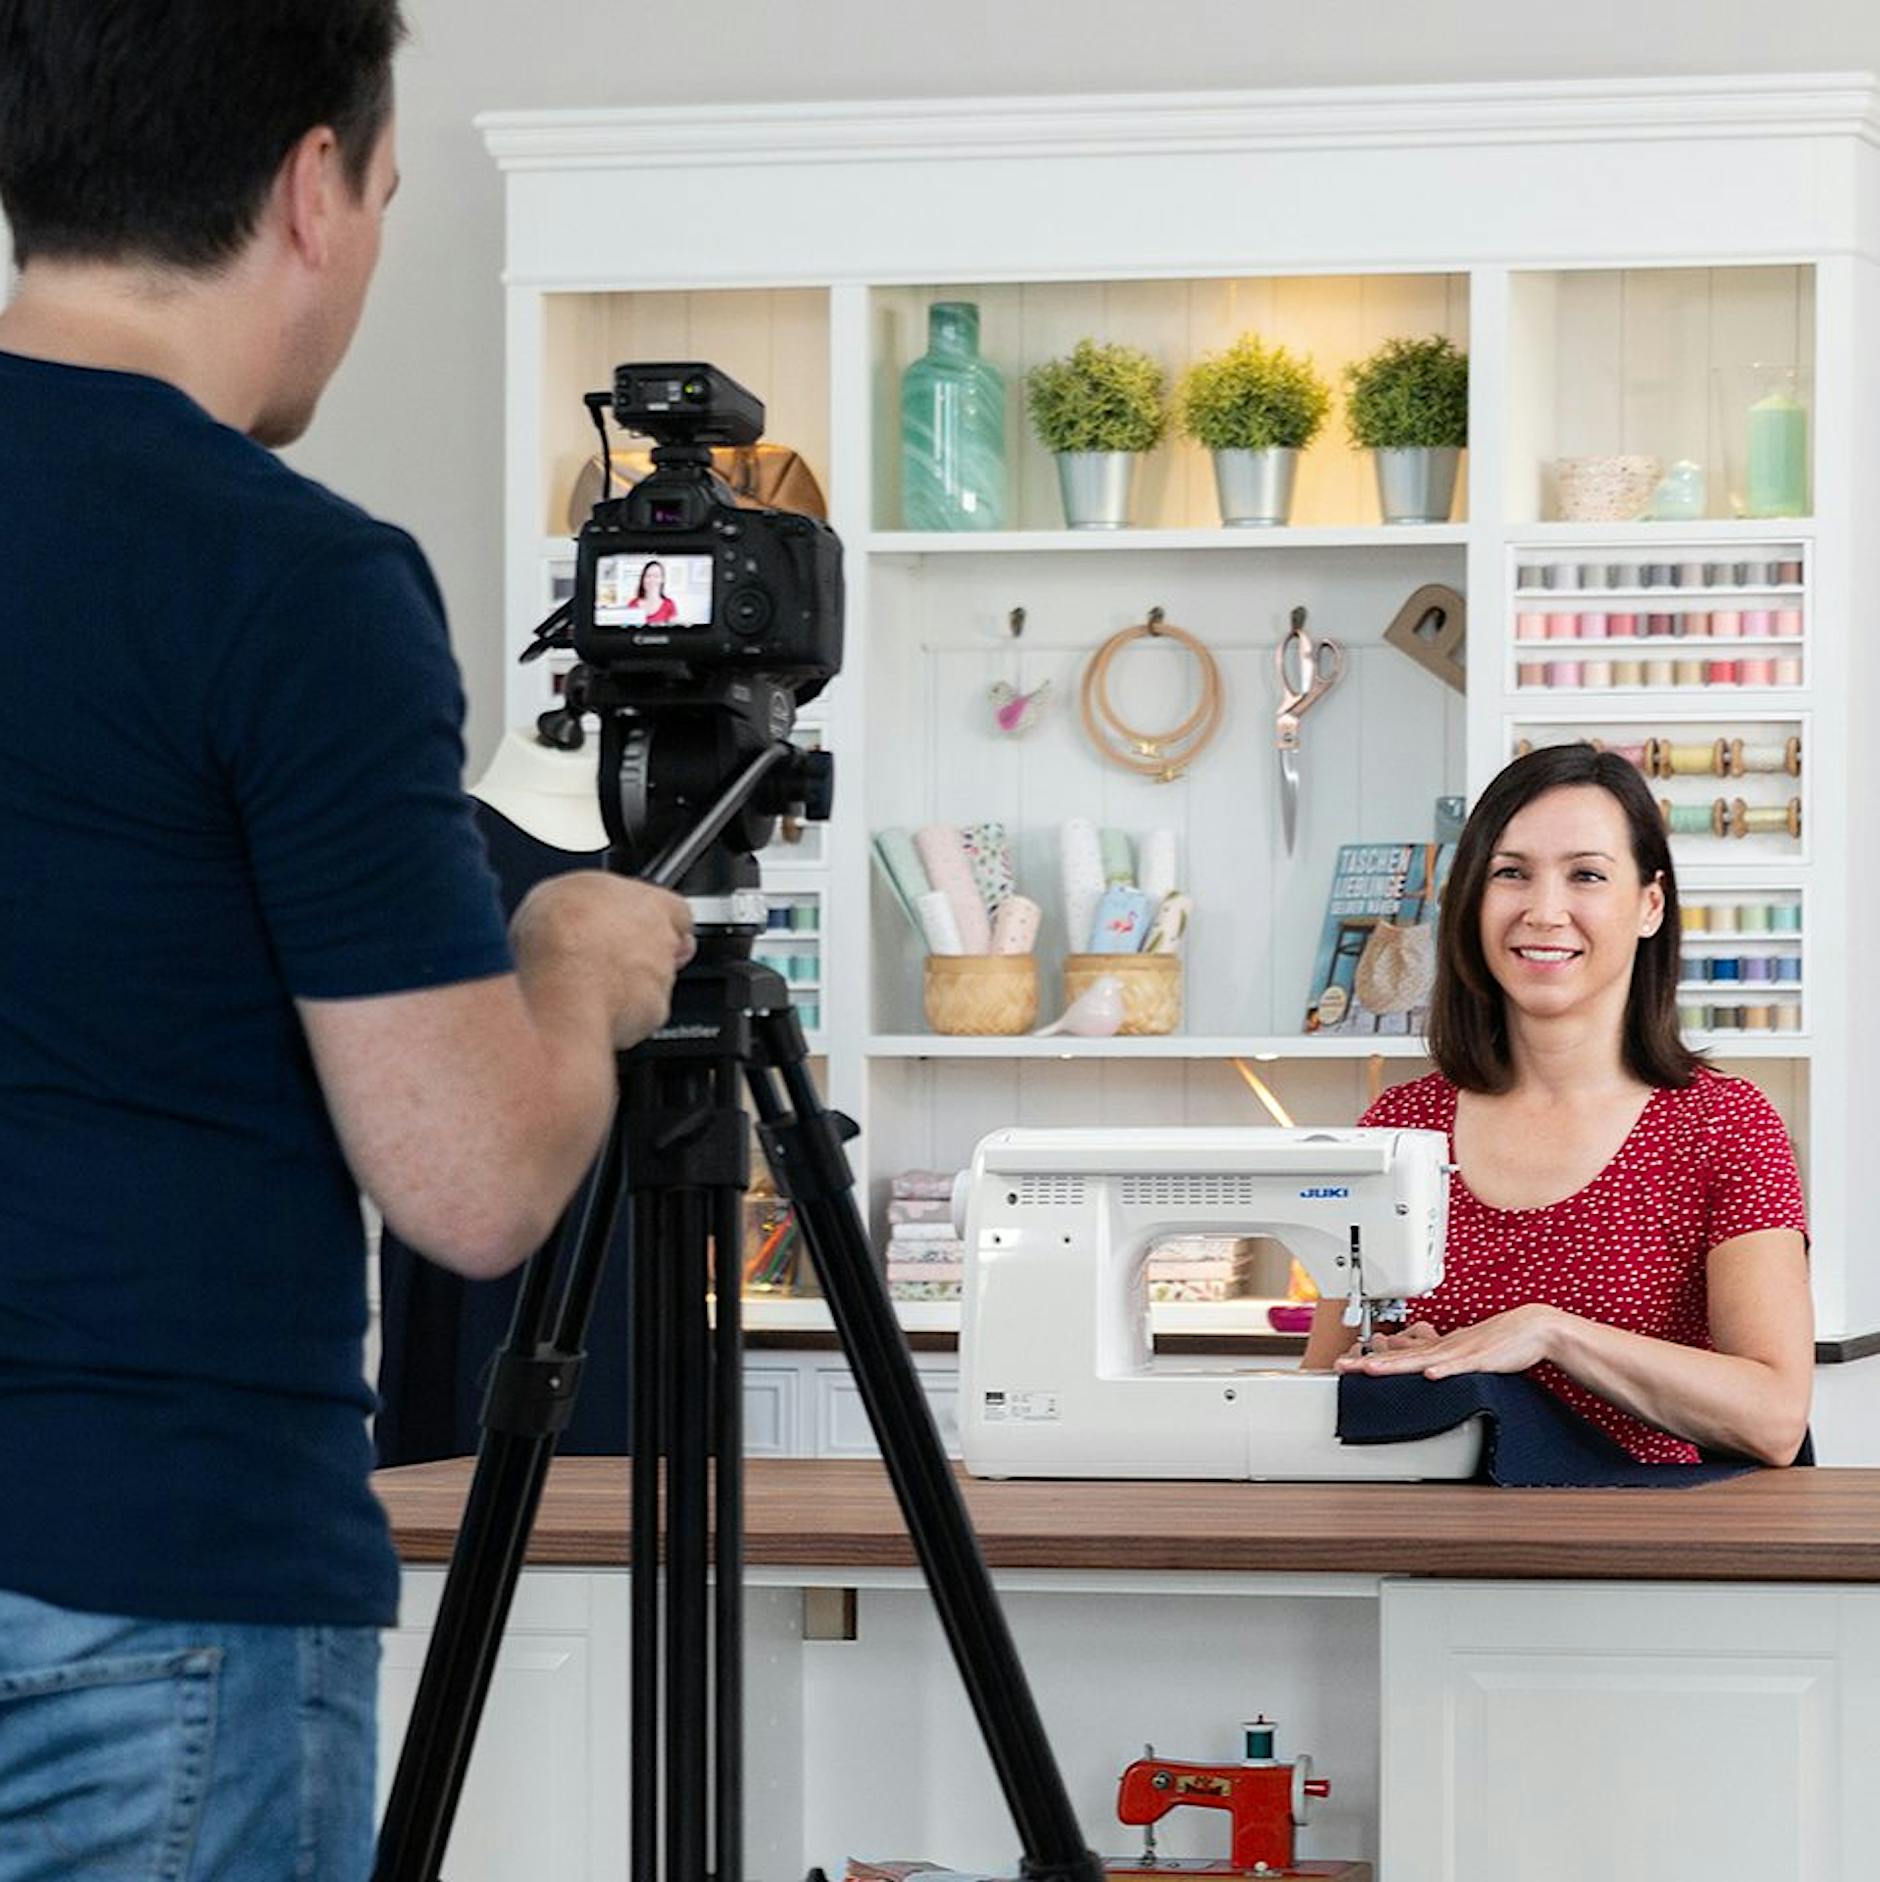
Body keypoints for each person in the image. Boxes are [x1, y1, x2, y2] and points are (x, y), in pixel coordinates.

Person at [0, 5, 692, 1877]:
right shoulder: (285, 577)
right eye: (386, 190)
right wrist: (581, 963)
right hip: (153, 1589)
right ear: (315, 183)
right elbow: (468, 1180)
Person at [1303, 744, 1813, 1469]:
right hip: (1434, 1553)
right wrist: (1398, 1369)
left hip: (1644, 1554)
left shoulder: (1725, 1127)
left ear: (1649, 905)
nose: (1544, 911)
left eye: (1586, 876)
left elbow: (1774, 1418)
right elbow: (1320, 1389)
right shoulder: (1398, 1129)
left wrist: (1550, 1333)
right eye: (1511, 873)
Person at [624, 557, 678, 625]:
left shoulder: (669, 605)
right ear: (642, 579)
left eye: (656, 576)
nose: (652, 580)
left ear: (662, 580)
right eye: (648, 576)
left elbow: (673, 634)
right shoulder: (632, 604)